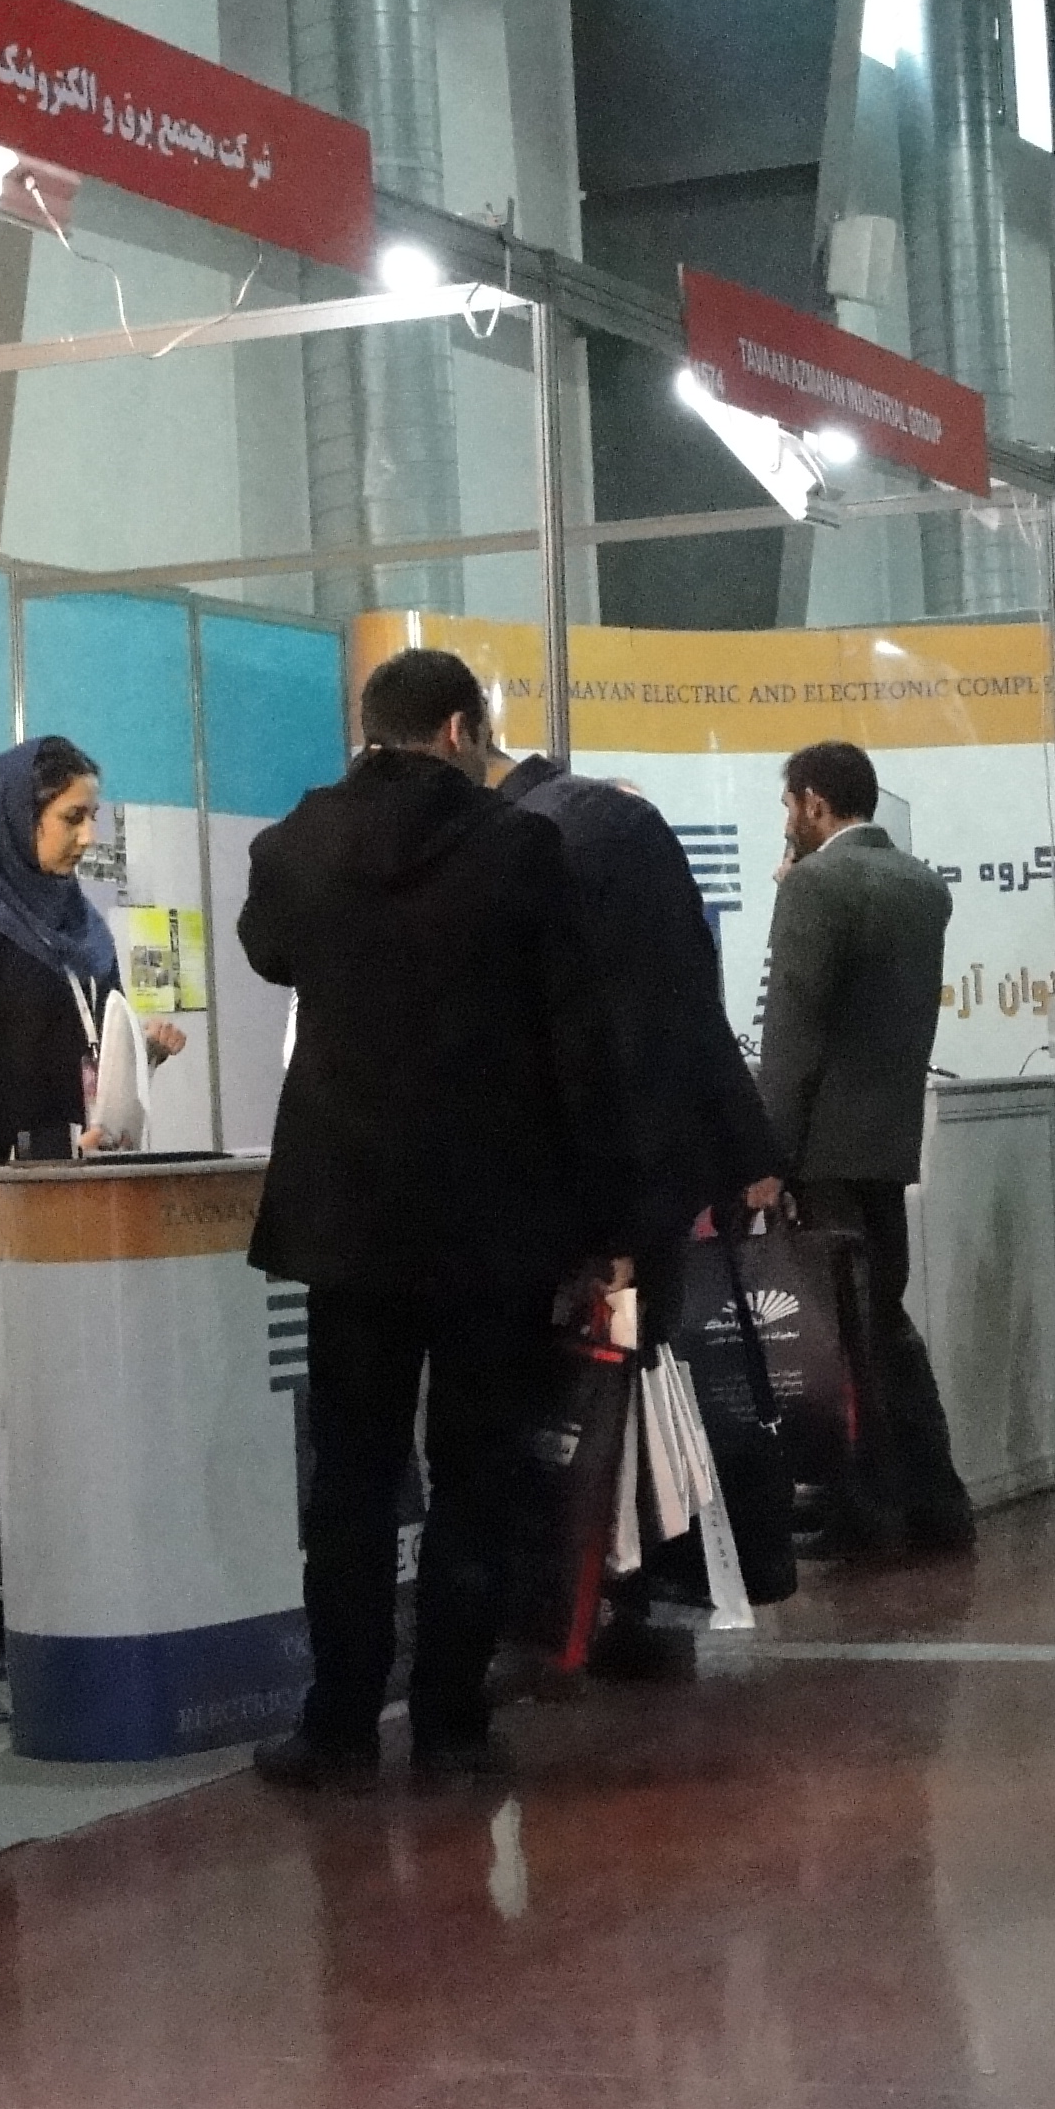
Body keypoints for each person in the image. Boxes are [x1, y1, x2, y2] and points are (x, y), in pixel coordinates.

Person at [237, 649, 633, 1790]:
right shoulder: (523, 849)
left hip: (347, 1218)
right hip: (491, 1217)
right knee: (476, 1472)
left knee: (351, 1478)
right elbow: (577, 1040)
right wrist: (607, 1217)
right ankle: (452, 1722)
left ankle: (338, 1723)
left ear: (372, 727)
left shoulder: (296, 843)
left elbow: (269, 953)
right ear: (461, 727)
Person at [500, 743, 784, 1676]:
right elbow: (693, 1016)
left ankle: (574, 1604)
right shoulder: (621, 842)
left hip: (590, 1194)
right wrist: (746, 1154)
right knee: (626, 1377)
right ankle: (623, 1597)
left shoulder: (537, 842)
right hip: (646, 1187)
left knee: (580, 1394)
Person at [0, 735, 185, 1618]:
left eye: (93, 816)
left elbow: (83, 1066)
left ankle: (82, 1598)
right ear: (16, 817)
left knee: (83, 1414)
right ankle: (6, 1611)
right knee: (6, 1419)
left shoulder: (84, 932)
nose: (87, 835)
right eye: (71, 817)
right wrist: (51, 1138)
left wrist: (138, 1065)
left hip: (84, 1203)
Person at [756, 740, 975, 1556]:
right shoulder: (921, 886)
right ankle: (933, 1500)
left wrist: (769, 1157)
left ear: (814, 801)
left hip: (824, 1149)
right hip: (887, 1140)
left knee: (846, 1337)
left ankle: (873, 1510)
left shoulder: (815, 887)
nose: (788, 821)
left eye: (790, 806)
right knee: (881, 1322)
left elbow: (794, 1032)